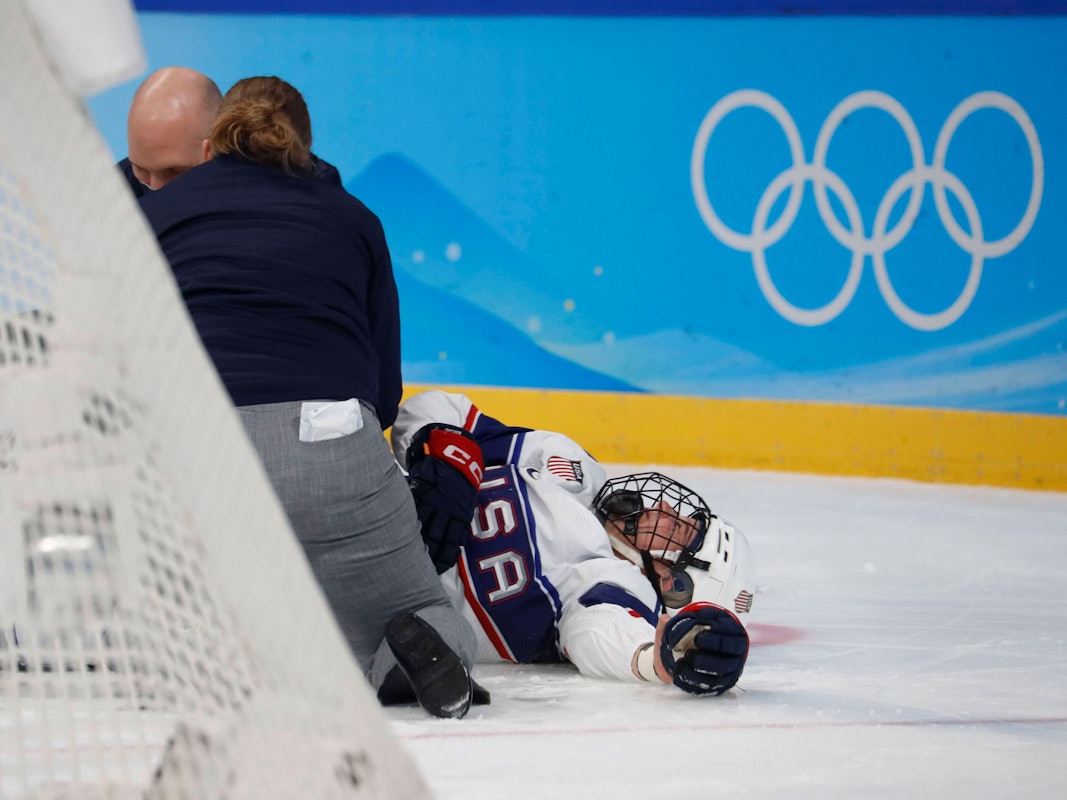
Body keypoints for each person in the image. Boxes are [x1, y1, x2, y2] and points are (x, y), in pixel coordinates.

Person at [137, 76, 478, 718]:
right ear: (304, 148)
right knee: (422, 607)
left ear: (209, 149)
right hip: (330, 441)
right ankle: (411, 648)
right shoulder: (356, 219)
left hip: (195, 456)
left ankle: (188, 636)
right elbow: (381, 388)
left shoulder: (154, 214)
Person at [391, 389, 755, 697]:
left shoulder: (612, 585)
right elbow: (430, 407)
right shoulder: (574, 465)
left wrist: (660, 657)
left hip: (371, 604)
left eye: (675, 527)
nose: (662, 506)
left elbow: (600, 633)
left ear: (671, 582)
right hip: (363, 507)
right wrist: (447, 453)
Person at [119, 66, 340, 197]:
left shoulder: (309, 193)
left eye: (175, 172)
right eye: (141, 170)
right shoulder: (113, 192)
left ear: (216, 145)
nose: (157, 191)